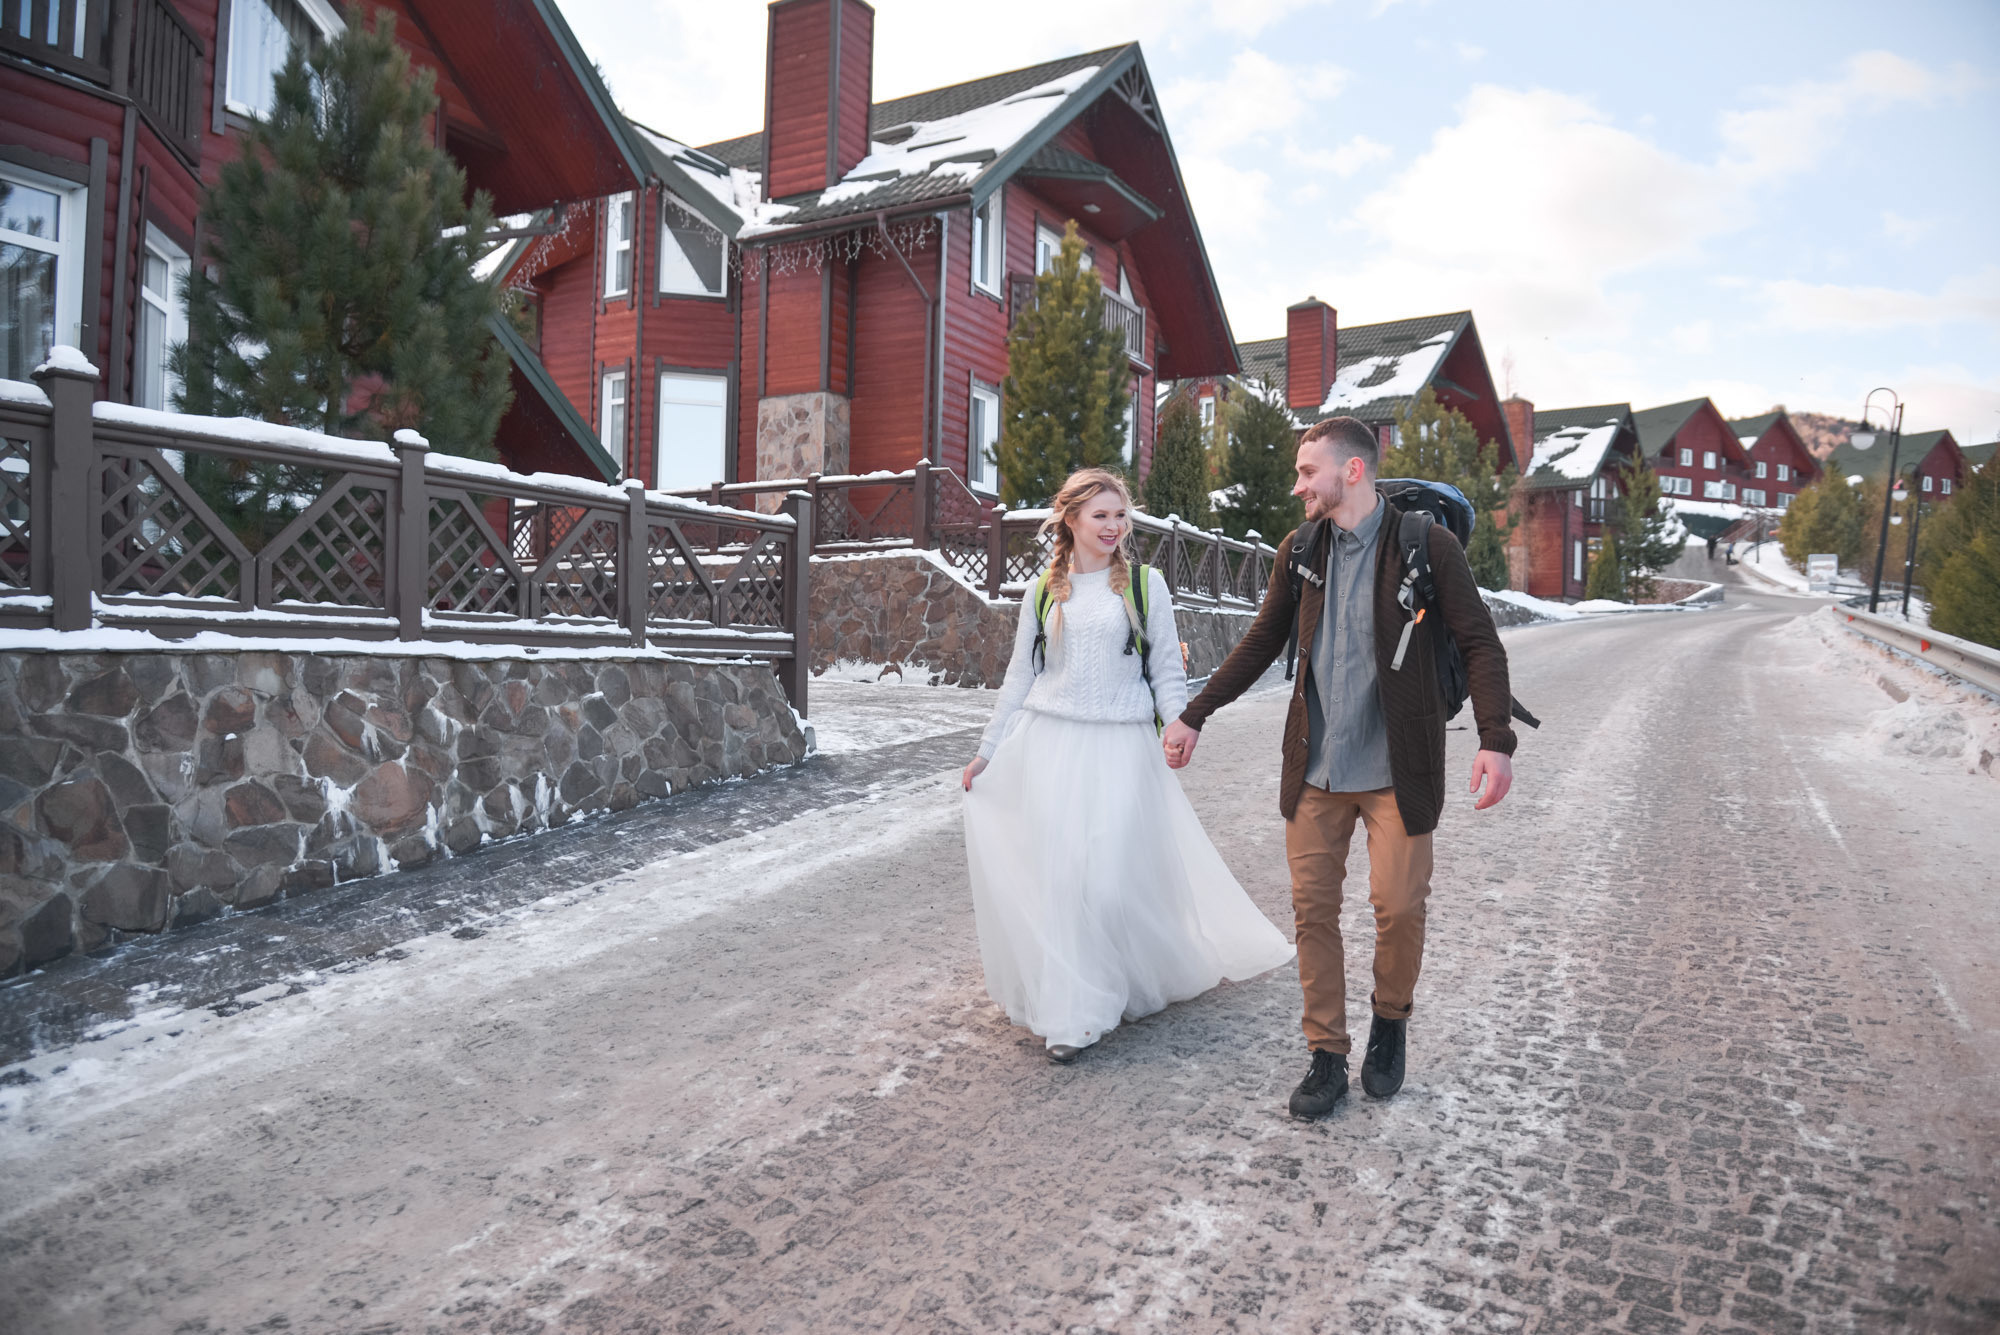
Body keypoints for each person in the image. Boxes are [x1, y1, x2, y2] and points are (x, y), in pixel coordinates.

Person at [1161, 417, 1518, 1119]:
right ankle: (1325, 1052)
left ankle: (1390, 1021)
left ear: (1352, 472)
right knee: (1313, 913)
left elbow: (1480, 642)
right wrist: (1196, 711)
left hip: (1398, 768)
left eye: (1307, 471)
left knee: (1399, 907)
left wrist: (1494, 737)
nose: (1297, 485)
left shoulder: (1426, 546)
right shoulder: (1302, 549)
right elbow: (1263, 639)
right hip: (1317, 768)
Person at [962, 469, 1294, 1064]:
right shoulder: (1044, 590)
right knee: (1063, 883)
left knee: (1109, 882)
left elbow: (1166, 668)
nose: (1114, 527)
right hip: (1051, 745)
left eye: (1121, 516)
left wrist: (1178, 725)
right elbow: (1021, 675)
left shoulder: (1145, 585)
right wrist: (987, 751)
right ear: (1072, 520)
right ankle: (1075, 1013)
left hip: (1121, 747)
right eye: (1101, 516)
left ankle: (1126, 974)